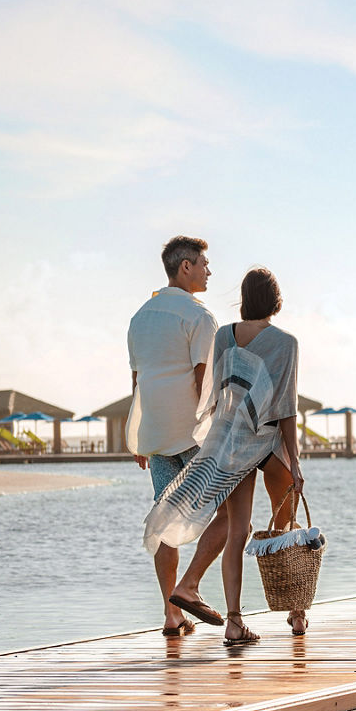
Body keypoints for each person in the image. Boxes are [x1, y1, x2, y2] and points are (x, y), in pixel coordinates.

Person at [143, 268, 306, 645]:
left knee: (237, 532)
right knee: (286, 523)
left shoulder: (224, 335)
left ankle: (234, 622)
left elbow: (216, 395)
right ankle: (297, 614)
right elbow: (285, 407)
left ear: (244, 299)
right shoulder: (286, 342)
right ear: (276, 301)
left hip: (232, 443)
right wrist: (295, 462)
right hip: (267, 441)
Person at [127, 236, 229, 636]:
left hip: (155, 432)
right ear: (185, 266)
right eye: (204, 263)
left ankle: (171, 615)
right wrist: (217, 431)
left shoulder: (140, 317)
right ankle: (189, 588)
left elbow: (138, 381)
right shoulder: (200, 316)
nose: (209, 270)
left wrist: (138, 436)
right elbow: (205, 379)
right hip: (193, 434)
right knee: (231, 513)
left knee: (164, 516)